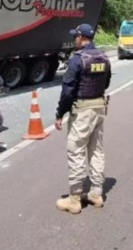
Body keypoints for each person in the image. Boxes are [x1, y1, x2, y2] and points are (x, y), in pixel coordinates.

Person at [54, 23, 112, 215]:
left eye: (75, 37)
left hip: (82, 111)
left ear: (81, 37)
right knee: (96, 150)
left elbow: (68, 90)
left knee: (76, 150)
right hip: (100, 108)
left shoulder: (77, 59)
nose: (74, 40)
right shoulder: (104, 57)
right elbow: (107, 81)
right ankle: (96, 193)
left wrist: (59, 113)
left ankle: (74, 199)